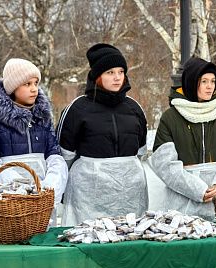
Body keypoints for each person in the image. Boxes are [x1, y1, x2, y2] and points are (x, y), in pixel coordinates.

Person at [57, 44, 148, 226]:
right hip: (88, 195)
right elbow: (64, 156)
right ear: (97, 76)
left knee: (129, 240)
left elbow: (140, 151)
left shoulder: (134, 108)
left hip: (129, 193)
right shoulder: (77, 109)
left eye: (121, 72)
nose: (117, 77)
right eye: (110, 72)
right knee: (88, 241)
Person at [0, 58, 68, 225]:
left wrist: (49, 188)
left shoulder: (43, 117)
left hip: (43, 204)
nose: (34, 89)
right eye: (27, 84)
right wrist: (22, 189)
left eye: (35, 83)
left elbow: (55, 156)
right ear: (12, 88)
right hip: (9, 203)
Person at [151, 57, 216, 221]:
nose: (210, 87)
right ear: (192, 83)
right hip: (181, 205)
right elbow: (164, 164)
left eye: (213, 81)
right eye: (204, 81)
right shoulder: (171, 117)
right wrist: (197, 189)